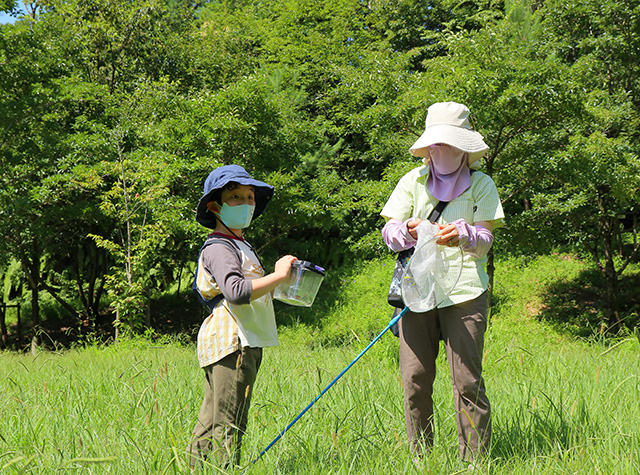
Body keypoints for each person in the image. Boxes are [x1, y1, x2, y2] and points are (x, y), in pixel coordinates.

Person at [380, 102, 505, 463]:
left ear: (464, 147)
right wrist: (405, 230)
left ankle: (475, 462)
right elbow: (389, 231)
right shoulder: (412, 181)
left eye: (448, 144)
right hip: (417, 291)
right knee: (415, 378)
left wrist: (466, 234)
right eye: (434, 144)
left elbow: (485, 240)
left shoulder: (481, 185)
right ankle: (421, 458)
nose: (440, 151)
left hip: (465, 292)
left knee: (467, 381)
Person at [188, 164, 297, 469]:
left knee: (213, 419)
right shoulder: (219, 246)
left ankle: (196, 468)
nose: (247, 203)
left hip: (242, 338)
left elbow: (257, 289)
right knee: (229, 421)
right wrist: (277, 275)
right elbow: (236, 291)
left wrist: (285, 281)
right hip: (232, 340)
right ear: (215, 206)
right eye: (236, 197)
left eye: (250, 197)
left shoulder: (240, 244)